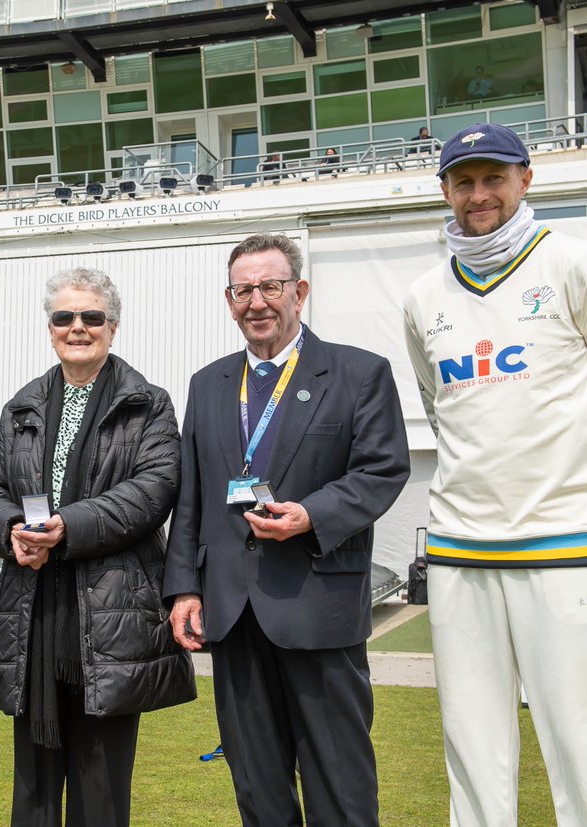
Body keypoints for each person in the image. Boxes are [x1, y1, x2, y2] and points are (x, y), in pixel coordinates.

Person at [403, 123, 587, 827]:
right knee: (474, 753)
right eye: (464, 181)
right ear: (445, 191)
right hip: (461, 552)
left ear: (526, 178)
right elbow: (441, 406)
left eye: (494, 178)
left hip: (565, 546)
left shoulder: (581, 265)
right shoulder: (423, 295)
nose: (479, 194)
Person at [164, 233, 410, 826]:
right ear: (229, 301)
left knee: (339, 782)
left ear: (299, 292)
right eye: (243, 290)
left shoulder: (359, 373)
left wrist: (312, 515)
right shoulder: (208, 383)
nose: (257, 303)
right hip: (233, 612)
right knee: (257, 783)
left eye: (270, 287)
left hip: (317, 607)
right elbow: (190, 495)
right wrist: (184, 589)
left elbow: (383, 470)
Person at [0, 267, 196, 827]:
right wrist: (10, 534)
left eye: (91, 316)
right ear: (50, 329)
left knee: (100, 794)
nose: (78, 327)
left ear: (112, 327)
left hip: (110, 622)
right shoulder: (22, 406)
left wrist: (65, 527)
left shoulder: (149, 404)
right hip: (34, 615)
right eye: (64, 317)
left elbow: (152, 491)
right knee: (33, 795)